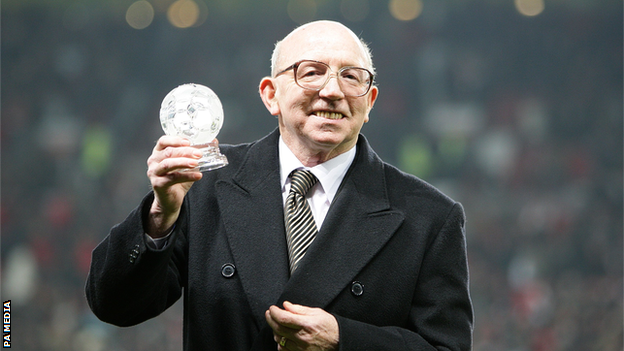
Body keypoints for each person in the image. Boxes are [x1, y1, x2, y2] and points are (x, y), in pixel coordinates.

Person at [86, 20, 473, 351]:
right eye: (311, 72)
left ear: (369, 102)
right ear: (271, 94)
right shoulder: (203, 185)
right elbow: (115, 306)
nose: (333, 91)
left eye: (351, 77)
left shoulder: (429, 217)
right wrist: (159, 216)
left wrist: (344, 340)